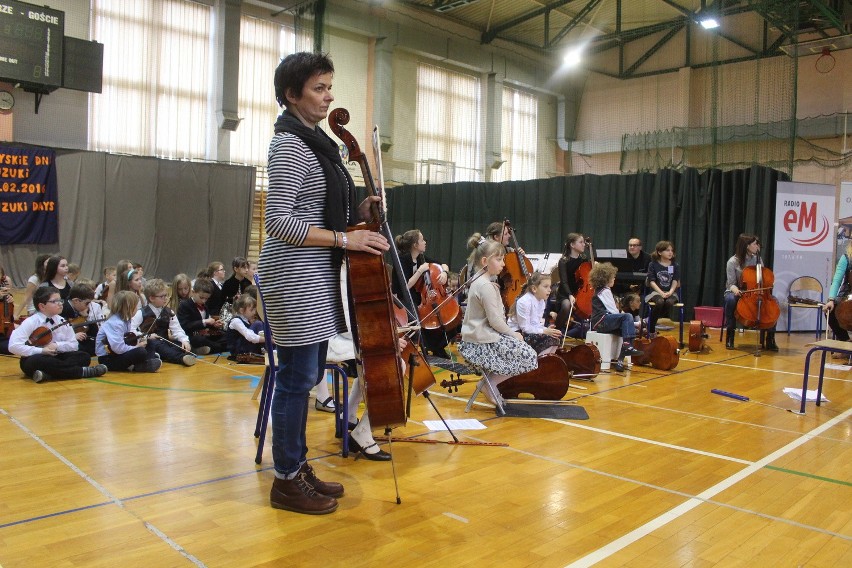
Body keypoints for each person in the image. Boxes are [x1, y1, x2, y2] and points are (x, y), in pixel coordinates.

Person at [257, 51, 390, 515]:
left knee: (308, 375)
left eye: (330, 85)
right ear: (292, 95)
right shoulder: (290, 146)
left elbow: (319, 212)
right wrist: (346, 240)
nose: (329, 95)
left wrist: (360, 217)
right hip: (292, 277)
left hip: (314, 276)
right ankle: (286, 479)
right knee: (296, 381)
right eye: (319, 88)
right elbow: (280, 222)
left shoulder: (317, 142)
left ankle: (298, 467)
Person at [457, 239, 538, 390]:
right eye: (499, 259)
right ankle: (489, 385)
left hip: (478, 338)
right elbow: (495, 321)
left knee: (522, 347)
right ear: (484, 261)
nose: (503, 264)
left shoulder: (479, 281)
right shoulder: (485, 285)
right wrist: (513, 334)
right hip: (481, 343)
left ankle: (489, 384)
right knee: (529, 356)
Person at [9, 286, 108, 382]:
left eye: (60, 300)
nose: (60, 303)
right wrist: (41, 350)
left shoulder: (61, 321)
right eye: (54, 301)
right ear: (42, 306)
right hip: (37, 357)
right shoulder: (31, 322)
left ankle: (47, 375)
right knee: (40, 361)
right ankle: (82, 372)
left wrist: (57, 345)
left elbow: (74, 345)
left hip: (57, 356)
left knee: (84, 357)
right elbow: (13, 346)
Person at [393, 229, 455, 358]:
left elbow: (443, 264)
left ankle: (437, 347)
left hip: (419, 298)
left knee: (446, 317)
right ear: (415, 245)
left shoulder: (422, 258)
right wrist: (420, 271)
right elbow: (405, 286)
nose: (425, 242)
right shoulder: (402, 260)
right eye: (422, 240)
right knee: (416, 319)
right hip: (402, 298)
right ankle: (419, 350)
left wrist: (444, 272)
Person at [723, 233, 778, 351]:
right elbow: (731, 283)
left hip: (754, 292)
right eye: (755, 244)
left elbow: (762, 279)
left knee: (775, 302)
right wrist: (736, 290)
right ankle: (730, 335)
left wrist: (769, 282)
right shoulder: (732, 262)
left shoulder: (758, 259)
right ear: (747, 246)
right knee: (730, 300)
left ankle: (770, 338)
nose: (757, 246)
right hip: (736, 291)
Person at [588, 262, 643, 372]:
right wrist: (633, 322)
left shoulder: (603, 291)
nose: (614, 279)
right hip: (601, 320)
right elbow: (613, 311)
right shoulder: (605, 291)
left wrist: (631, 323)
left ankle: (620, 361)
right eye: (613, 277)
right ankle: (627, 347)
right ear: (606, 279)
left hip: (603, 321)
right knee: (627, 317)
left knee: (625, 330)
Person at [132, 279, 197, 367]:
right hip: (151, 344)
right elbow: (131, 330)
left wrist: (184, 340)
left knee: (181, 345)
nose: (166, 298)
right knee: (158, 346)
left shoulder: (169, 312)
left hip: (165, 342)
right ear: (152, 298)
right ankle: (181, 358)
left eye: (166, 295)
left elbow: (177, 330)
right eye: (162, 296)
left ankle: (177, 355)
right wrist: (147, 336)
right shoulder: (141, 313)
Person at [96, 291, 162, 372]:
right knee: (140, 351)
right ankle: (143, 364)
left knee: (150, 342)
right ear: (128, 307)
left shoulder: (125, 319)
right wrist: (137, 346)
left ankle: (145, 363)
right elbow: (118, 348)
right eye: (135, 306)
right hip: (108, 358)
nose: (137, 309)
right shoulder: (116, 323)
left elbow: (129, 337)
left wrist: (141, 339)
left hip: (118, 354)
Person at [507, 271, 561, 354]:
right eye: (546, 286)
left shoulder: (542, 301)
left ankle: (546, 361)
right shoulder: (525, 301)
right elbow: (525, 328)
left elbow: (536, 323)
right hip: (518, 333)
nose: (550, 290)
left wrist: (546, 329)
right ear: (534, 288)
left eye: (550, 286)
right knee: (550, 340)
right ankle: (538, 363)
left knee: (556, 337)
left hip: (528, 331)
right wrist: (545, 331)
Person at [176, 278, 225, 354]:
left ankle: (209, 348)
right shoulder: (185, 305)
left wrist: (214, 324)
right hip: (191, 336)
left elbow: (206, 325)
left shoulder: (204, 306)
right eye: (201, 297)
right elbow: (185, 325)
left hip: (204, 336)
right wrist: (204, 321)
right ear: (193, 292)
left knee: (225, 336)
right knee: (200, 340)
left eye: (206, 298)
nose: (204, 301)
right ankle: (214, 348)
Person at [645, 240, 680, 336]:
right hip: (656, 292)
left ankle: (651, 320)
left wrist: (670, 291)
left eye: (671, 250)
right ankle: (652, 330)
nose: (670, 252)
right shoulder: (653, 264)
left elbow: (675, 281)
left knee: (668, 302)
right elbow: (651, 281)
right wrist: (661, 292)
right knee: (660, 302)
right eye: (667, 250)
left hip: (671, 292)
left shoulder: (675, 265)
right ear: (660, 252)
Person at [61, 282, 106, 356]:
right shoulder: (64, 309)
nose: (88, 306)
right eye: (87, 303)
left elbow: (94, 331)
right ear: (76, 301)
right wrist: (73, 336)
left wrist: (86, 317)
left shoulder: (78, 309)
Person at [822, 241, 852, 348]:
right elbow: (837, 281)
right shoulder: (846, 258)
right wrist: (831, 299)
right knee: (830, 311)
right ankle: (846, 342)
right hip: (848, 294)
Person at [554, 233, 585, 330]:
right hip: (565, 293)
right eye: (581, 242)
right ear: (572, 245)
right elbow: (564, 281)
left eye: (584, 242)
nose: (584, 244)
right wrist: (570, 295)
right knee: (567, 305)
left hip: (580, 293)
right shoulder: (563, 261)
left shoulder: (584, 260)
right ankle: (557, 330)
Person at [225, 294, 265, 362]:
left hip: (245, 347)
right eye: (252, 310)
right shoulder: (236, 321)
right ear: (241, 311)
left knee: (259, 324)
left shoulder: (246, 320)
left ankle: (268, 349)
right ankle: (268, 348)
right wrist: (267, 339)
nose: (254, 312)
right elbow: (249, 336)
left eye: (255, 310)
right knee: (258, 324)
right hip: (238, 351)